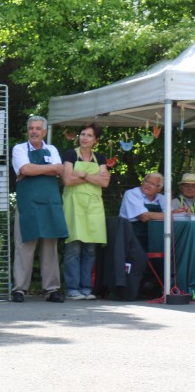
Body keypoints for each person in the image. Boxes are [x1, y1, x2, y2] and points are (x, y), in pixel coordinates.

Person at [11, 116, 68, 303]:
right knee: (24, 245)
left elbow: (59, 169)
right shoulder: (19, 148)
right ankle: (19, 289)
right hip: (28, 203)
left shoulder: (52, 149)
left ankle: (52, 290)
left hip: (50, 203)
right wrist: (47, 168)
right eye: (31, 128)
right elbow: (25, 169)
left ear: (44, 131)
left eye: (38, 128)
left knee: (50, 247)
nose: (34, 131)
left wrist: (35, 169)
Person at [61, 123, 109, 300]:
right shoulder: (70, 154)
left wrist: (83, 175)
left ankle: (86, 288)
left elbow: (104, 183)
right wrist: (94, 179)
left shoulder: (101, 157)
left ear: (95, 140)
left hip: (94, 207)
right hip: (74, 205)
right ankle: (72, 288)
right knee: (73, 248)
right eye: (82, 134)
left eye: (89, 135)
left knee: (90, 250)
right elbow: (67, 180)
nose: (84, 138)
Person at [118, 172, 168, 250]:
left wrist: (177, 212)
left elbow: (175, 215)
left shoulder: (162, 198)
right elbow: (144, 216)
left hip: (154, 238)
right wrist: (168, 215)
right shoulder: (132, 194)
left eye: (152, 184)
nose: (147, 185)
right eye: (146, 181)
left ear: (159, 189)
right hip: (132, 238)